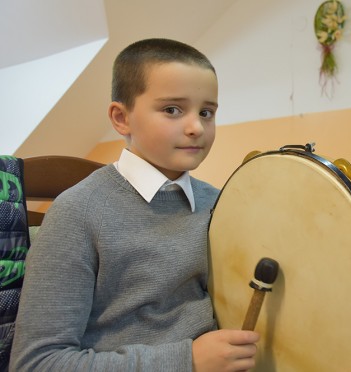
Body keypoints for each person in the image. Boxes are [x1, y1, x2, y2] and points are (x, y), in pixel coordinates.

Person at [10, 38, 259, 371]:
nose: (196, 127)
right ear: (121, 118)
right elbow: (36, 363)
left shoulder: (218, 203)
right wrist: (188, 360)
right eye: (172, 109)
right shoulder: (77, 214)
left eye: (207, 112)